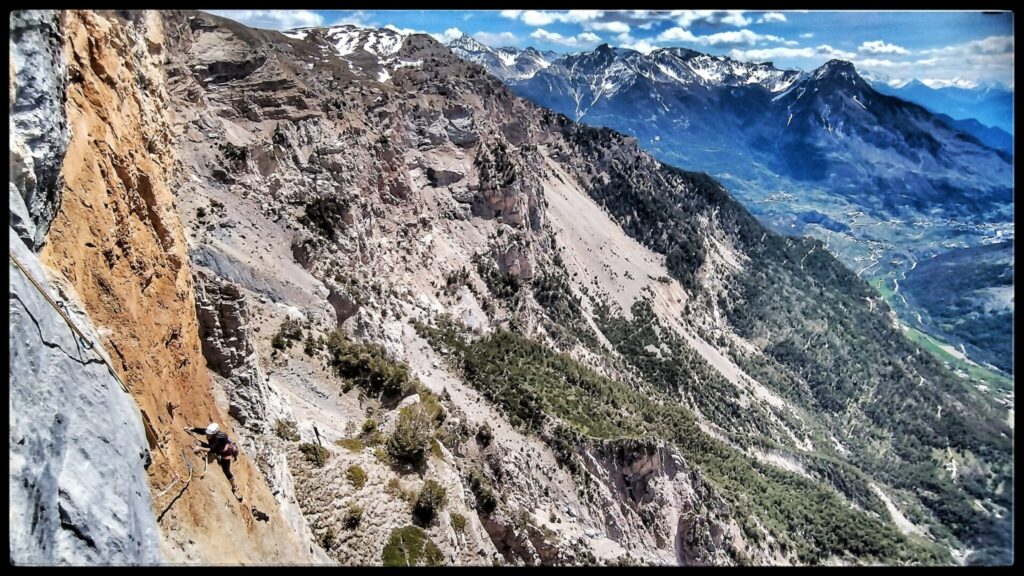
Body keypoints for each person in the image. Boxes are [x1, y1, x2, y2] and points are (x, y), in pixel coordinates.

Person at [186, 422, 242, 501]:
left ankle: (234, 486)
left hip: (225, 452)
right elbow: (203, 431)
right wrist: (192, 428)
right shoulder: (212, 433)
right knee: (208, 446)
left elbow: (212, 449)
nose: (207, 435)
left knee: (226, 470)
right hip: (218, 447)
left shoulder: (219, 438)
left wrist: (200, 448)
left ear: (215, 434)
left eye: (209, 435)